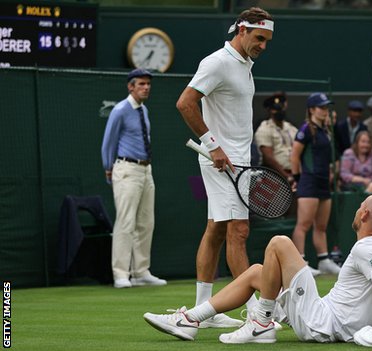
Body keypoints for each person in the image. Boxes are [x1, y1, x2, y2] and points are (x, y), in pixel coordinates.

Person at [144, 194, 372, 347]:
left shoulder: (366, 248)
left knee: (280, 243)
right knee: (257, 272)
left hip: (321, 323)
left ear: (363, 214)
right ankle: (188, 320)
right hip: (324, 314)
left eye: (359, 206)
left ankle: (261, 324)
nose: (357, 209)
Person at [174, 7, 274, 328]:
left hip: (237, 160)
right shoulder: (217, 62)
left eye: (267, 40)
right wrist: (213, 145)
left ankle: (204, 308)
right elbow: (185, 102)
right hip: (222, 162)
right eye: (259, 38)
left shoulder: (245, 64)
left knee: (217, 230)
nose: (263, 45)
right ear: (241, 30)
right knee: (239, 231)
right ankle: (256, 313)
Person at [101, 68, 166, 289]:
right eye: (141, 84)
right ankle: (121, 273)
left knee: (146, 222)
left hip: (146, 170)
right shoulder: (120, 110)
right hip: (126, 169)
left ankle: (141, 272)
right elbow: (109, 141)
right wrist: (108, 168)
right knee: (126, 222)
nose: (146, 87)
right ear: (131, 86)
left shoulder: (143, 110)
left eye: (148, 84)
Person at [290, 92, 342, 275]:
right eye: (322, 107)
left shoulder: (326, 131)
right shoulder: (305, 129)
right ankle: (300, 262)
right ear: (312, 110)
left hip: (322, 183)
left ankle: (323, 260)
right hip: (308, 182)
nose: (325, 111)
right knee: (303, 224)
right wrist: (297, 178)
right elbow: (294, 156)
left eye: (326, 107)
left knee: (321, 225)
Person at [255, 92, 298, 182]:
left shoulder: (291, 128)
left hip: (295, 174)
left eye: (281, 108)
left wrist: (298, 175)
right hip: (274, 176)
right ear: (269, 110)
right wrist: (287, 176)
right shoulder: (264, 129)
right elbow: (268, 158)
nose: (279, 112)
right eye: (276, 109)